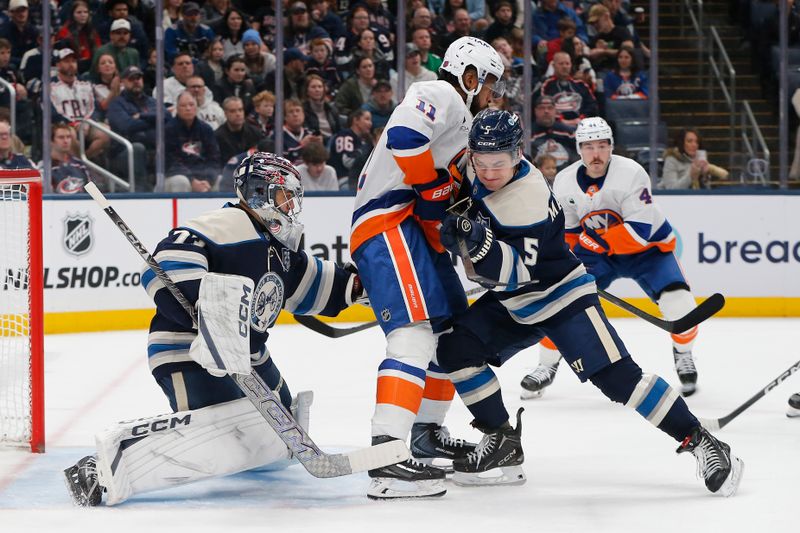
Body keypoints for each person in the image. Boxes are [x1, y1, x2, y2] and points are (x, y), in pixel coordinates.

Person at [433, 109, 743, 497]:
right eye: (481, 162)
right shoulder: (478, 167)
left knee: (619, 380)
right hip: (516, 302)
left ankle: (701, 439)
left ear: (517, 155)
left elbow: (511, 272)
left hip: (560, 296)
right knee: (454, 348)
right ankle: (502, 441)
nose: (489, 171)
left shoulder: (525, 197)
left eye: (498, 163)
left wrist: (474, 242)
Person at [64, 152, 366, 507]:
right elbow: (164, 266)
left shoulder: (280, 248)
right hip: (189, 351)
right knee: (218, 432)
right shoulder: (224, 224)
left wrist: (360, 286)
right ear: (260, 193)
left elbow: (311, 285)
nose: (291, 205)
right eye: (285, 195)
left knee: (279, 426)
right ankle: (99, 470)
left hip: (249, 356)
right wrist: (209, 315)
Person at [350, 36, 505, 500]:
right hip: (387, 221)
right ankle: (386, 457)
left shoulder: (463, 122)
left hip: (414, 230)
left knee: (449, 331)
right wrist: (438, 189)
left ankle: (424, 433)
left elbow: (442, 195)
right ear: (469, 74)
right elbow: (403, 139)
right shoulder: (438, 93)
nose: (491, 94)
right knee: (414, 333)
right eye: (489, 83)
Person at [520, 117, 708, 401]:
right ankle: (547, 364)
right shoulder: (565, 181)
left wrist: (591, 241)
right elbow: (568, 233)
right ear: (578, 149)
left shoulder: (631, 173)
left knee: (680, 304)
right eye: (588, 147)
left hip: (648, 251)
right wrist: (560, 261)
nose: (596, 154)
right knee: (560, 300)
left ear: (611, 147)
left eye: (602, 146)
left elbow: (641, 230)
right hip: (599, 255)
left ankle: (683, 353)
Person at [107, 65, 167, 190]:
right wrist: (153, 119)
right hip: (124, 153)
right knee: (137, 149)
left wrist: (141, 116)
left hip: (154, 150)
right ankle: (143, 191)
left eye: (138, 78)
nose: (136, 81)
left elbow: (167, 117)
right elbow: (126, 126)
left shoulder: (152, 101)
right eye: (131, 79)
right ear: (123, 82)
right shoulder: (116, 104)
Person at [50, 48, 110, 160]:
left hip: (86, 122)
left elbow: (95, 108)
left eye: (73, 61)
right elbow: (50, 111)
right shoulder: (50, 85)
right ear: (58, 65)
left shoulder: (85, 83)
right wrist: (72, 123)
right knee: (69, 135)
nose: (71, 65)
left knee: (106, 132)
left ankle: (85, 159)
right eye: (66, 61)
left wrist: (88, 122)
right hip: (64, 124)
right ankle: (81, 163)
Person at [164, 91, 221, 192]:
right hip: (177, 175)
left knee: (222, 180)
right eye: (183, 105)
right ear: (176, 108)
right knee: (181, 182)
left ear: (196, 107)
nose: (188, 108)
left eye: (191, 105)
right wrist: (192, 181)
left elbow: (214, 158)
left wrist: (208, 180)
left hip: (203, 176)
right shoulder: (168, 130)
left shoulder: (206, 129)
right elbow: (170, 162)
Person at [540, 51, 598, 129]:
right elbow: (542, 107)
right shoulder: (546, 85)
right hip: (556, 128)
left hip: (582, 126)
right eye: (561, 64)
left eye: (567, 64)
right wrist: (561, 120)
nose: (564, 66)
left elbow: (592, 106)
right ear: (553, 66)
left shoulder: (581, 85)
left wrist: (581, 119)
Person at [661, 128, 728, 189]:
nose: (694, 145)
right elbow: (671, 189)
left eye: (696, 142)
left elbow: (705, 192)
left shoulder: (699, 160)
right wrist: (690, 175)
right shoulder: (671, 160)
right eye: (690, 141)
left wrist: (705, 176)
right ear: (681, 143)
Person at [43, 122, 97, 193]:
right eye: (61, 137)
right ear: (51, 141)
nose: (66, 141)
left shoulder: (80, 165)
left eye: (68, 137)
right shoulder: (44, 168)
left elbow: (94, 193)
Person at [530, 94, 578, 171]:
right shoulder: (528, 134)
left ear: (555, 110)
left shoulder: (568, 132)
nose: (546, 111)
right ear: (535, 110)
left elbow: (577, 156)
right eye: (542, 108)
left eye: (550, 108)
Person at [328, 108, 372, 188]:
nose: (370, 123)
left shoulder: (365, 140)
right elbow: (347, 162)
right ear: (356, 120)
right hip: (344, 179)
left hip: (360, 179)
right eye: (367, 119)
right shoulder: (345, 136)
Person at [56, 0, 102, 74]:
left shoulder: (92, 32)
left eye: (85, 12)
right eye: (79, 12)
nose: (83, 15)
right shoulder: (64, 33)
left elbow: (99, 51)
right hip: (73, 70)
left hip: (91, 68)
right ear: (72, 14)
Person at [215, 95, 263, 163]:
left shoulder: (255, 133)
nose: (238, 114)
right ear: (225, 113)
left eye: (240, 110)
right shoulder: (217, 136)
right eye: (232, 111)